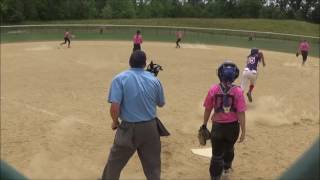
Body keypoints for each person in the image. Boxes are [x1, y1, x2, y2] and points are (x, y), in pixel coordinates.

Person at [102, 50, 165, 180]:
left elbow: (114, 107)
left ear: (130, 62)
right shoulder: (154, 80)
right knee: (153, 167)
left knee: (114, 163)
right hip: (150, 128)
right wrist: (152, 78)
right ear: (144, 64)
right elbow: (161, 103)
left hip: (128, 128)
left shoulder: (120, 78)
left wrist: (115, 122)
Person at [202, 61, 246, 180]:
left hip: (218, 127)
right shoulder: (238, 91)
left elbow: (208, 109)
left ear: (220, 74)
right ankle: (227, 168)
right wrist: (243, 131)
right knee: (229, 147)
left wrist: (204, 125)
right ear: (234, 76)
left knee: (216, 155)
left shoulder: (213, 89)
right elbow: (241, 113)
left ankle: (215, 177)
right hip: (233, 128)